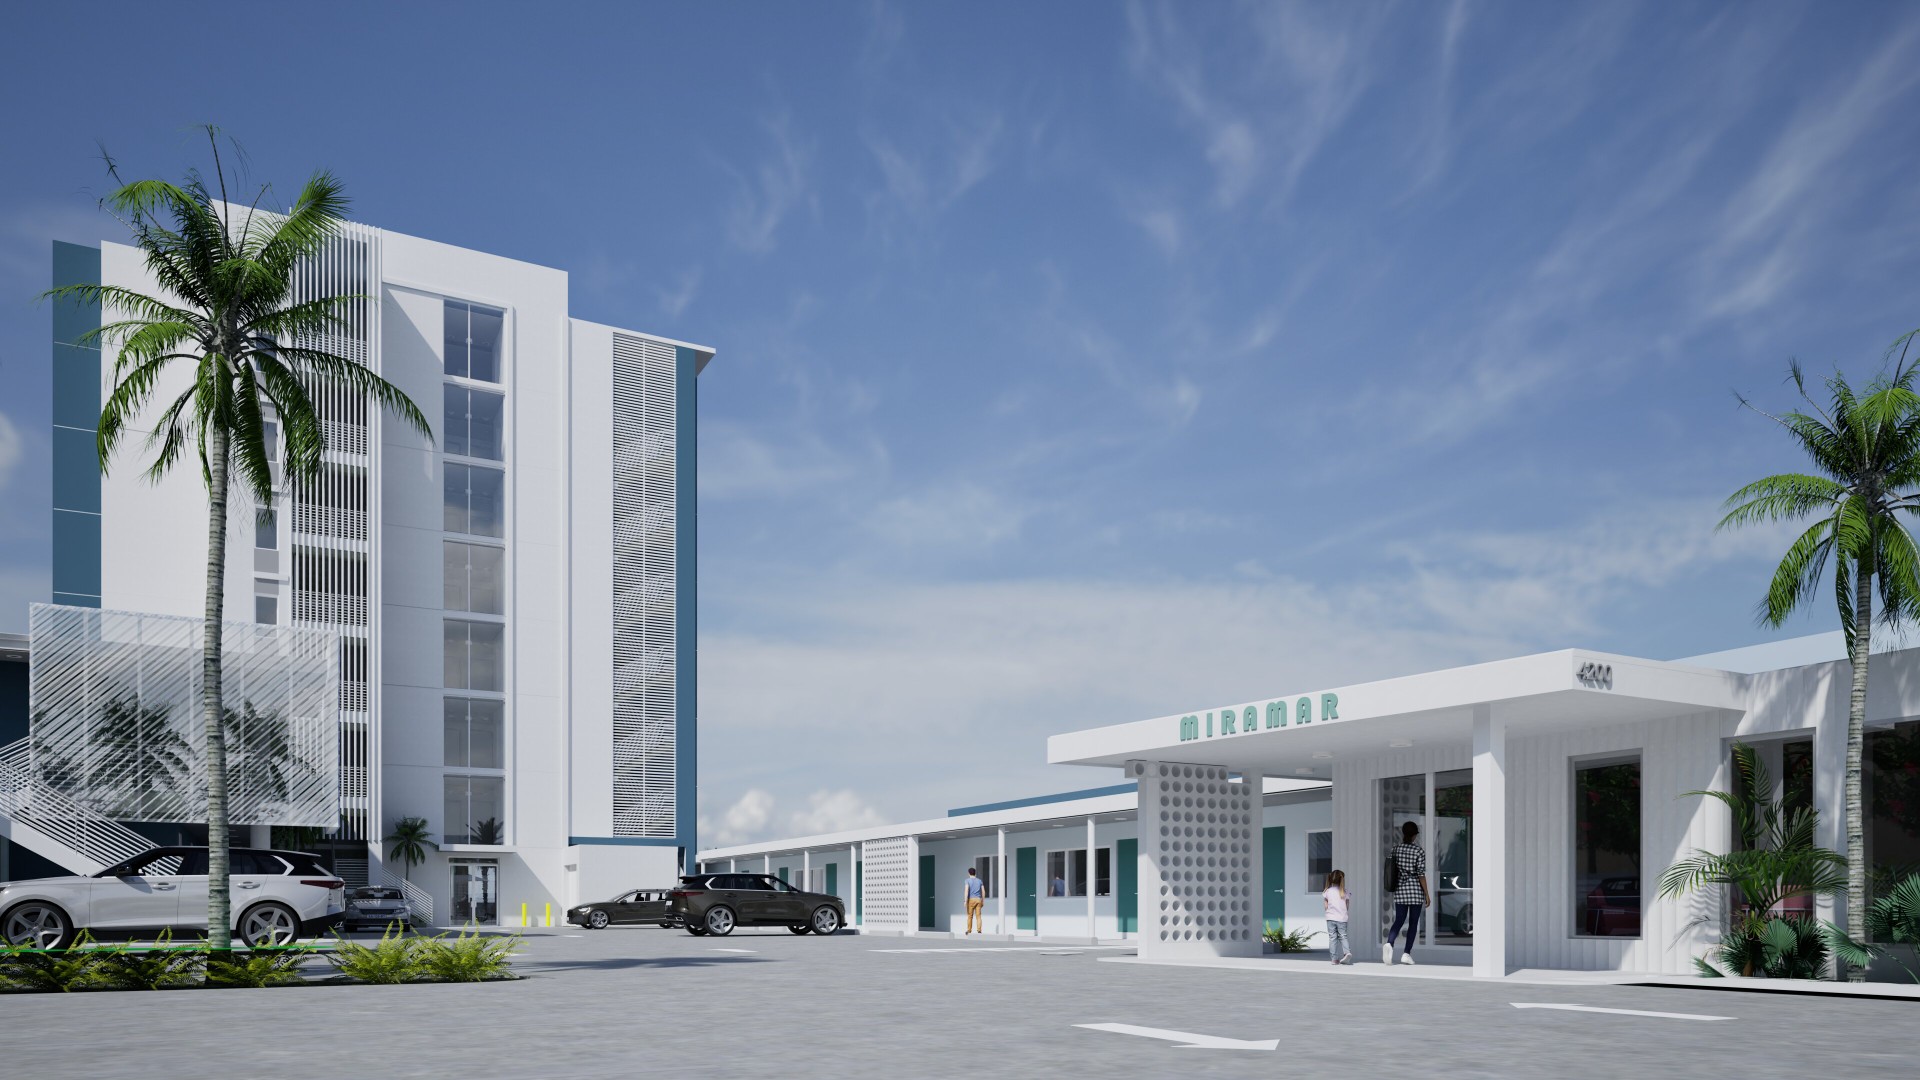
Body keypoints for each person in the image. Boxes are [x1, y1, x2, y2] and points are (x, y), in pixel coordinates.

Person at [1383, 820, 1430, 965]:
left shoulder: (1395, 850)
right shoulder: (1419, 851)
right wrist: (1427, 894)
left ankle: (1389, 943)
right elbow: (1421, 874)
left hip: (1400, 890)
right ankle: (1406, 954)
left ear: (1404, 833)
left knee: (1399, 920)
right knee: (1413, 923)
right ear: (1415, 835)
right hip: (1415, 891)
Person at [1322, 869, 1352, 965]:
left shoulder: (1327, 891)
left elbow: (1326, 906)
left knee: (1332, 938)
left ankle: (1334, 959)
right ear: (1341, 880)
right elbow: (1347, 905)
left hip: (1330, 918)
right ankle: (1347, 952)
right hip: (1342, 918)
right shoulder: (1345, 891)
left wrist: (1329, 911)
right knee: (1343, 936)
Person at [964, 867, 987, 934]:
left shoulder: (967, 880)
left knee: (970, 916)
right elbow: (983, 891)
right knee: (978, 916)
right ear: (975, 873)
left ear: (969, 873)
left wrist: (965, 901)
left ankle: (969, 930)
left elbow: (966, 890)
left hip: (971, 900)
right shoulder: (979, 881)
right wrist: (983, 900)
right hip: (978, 900)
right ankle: (979, 930)